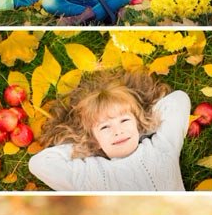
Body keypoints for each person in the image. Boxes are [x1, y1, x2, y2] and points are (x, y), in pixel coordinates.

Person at [28, 69, 190, 192]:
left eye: (124, 120)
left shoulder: (161, 149)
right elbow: (39, 164)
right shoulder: (89, 175)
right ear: (93, 138)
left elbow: (178, 100)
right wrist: (85, 145)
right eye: (105, 127)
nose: (118, 131)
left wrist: (142, 125)